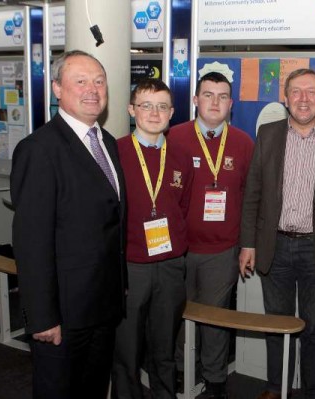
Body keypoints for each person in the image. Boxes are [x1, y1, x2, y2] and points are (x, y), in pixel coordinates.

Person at [11, 50, 127, 399]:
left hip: (102, 307)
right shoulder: (39, 149)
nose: (92, 89)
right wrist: (43, 317)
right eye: (80, 81)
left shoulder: (106, 142)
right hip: (63, 313)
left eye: (99, 81)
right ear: (57, 88)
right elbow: (31, 241)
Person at [239, 68, 315, 399]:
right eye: (296, 92)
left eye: (310, 92)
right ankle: (277, 387)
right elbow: (253, 194)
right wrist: (248, 242)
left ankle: (313, 390)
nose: (303, 99)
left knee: (314, 328)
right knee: (277, 325)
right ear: (285, 98)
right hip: (272, 246)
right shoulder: (268, 134)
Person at [169, 71, 254, 398]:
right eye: (208, 94)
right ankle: (180, 368)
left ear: (231, 104)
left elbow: (250, 198)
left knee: (216, 319)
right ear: (195, 100)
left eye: (222, 96)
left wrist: (248, 243)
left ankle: (216, 375)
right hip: (178, 248)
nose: (215, 102)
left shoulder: (244, 143)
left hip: (222, 249)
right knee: (179, 313)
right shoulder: (173, 137)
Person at [111, 78, 192, 398]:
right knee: (126, 350)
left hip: (171, 266)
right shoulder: (114, 152)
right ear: (132, 109)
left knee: (165, 349)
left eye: (162, 106)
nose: (154, 113)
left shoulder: (182, 157)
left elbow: (181, 206)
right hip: (130, 267)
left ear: (172, 112)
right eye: (146, 105)